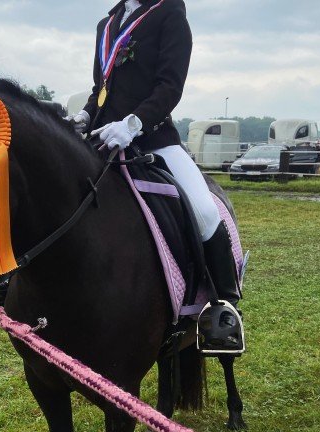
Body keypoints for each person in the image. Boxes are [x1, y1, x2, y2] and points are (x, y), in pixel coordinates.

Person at [69, 0, 243, 352]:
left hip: (154, 138)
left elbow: (169, 87)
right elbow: (100, 89)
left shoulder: (170, 15)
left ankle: (223, 309)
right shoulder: (107, 23)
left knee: (205, 211)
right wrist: (87, 116)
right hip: (104, 139)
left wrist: (134, 123)